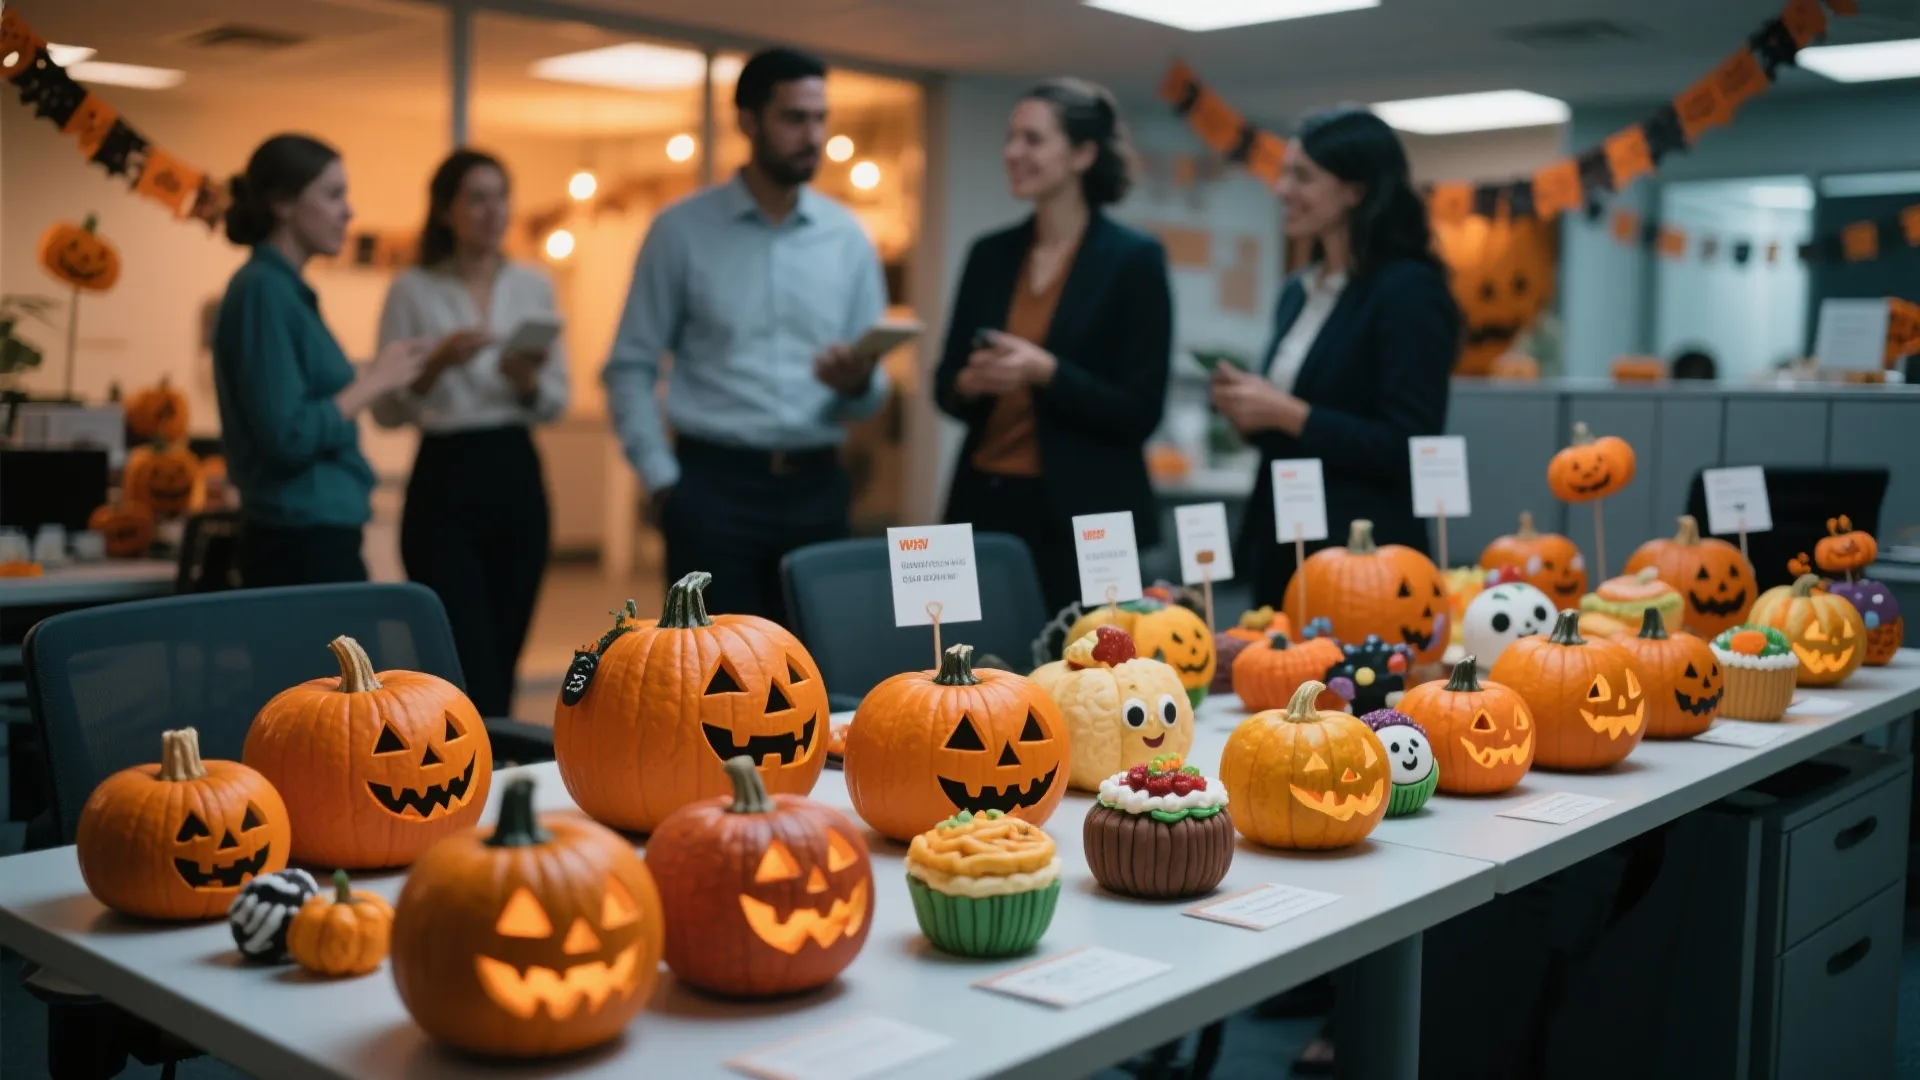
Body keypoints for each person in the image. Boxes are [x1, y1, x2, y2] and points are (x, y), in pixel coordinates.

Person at [603, 47, 888, 622]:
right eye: (794, 118)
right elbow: (630, 365)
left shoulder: (846, 236)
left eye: (820, 118)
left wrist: (858, 381)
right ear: (749, 121)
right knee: (712, 680)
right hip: (712, 489)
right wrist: (663, 483)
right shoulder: (681, 231)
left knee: (816, 672)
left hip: (818, 484)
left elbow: (873, 389)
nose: (814, 135)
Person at [933, 78, 1172, 614]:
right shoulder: (989, 254)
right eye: (1010, 137)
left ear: (1084, 153)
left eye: (1033, 139)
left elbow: (1140, 411)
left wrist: (1047, 372)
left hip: (1087, 515)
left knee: (1088, 676)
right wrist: (968, 382)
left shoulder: (1134, 259)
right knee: (959, 671)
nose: (1012, 153)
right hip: (983, 498)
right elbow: (945, 387)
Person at [1211, 106, 1461, 606]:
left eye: (1302, 176)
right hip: (1284, 535)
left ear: (1355, 189)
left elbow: (1408, 444)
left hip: (1365, 560)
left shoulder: (1408, 291)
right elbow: (1300, 426)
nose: (1282, 189)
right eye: (1283, 172)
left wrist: (1289, 413)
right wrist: (1251, 411)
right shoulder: (1297, 291)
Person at [372, 150, 568, 719]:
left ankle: (501, 778)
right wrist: (436, 364)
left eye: (500, 196)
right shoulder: (412, 290)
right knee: (460, 652)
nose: (492, 211)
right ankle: (459, 766)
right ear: (445, 211)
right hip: (445, 473)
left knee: (505, 652)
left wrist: (526, 383)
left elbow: (555, 401)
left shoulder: (534, 286)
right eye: (476, 198)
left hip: (515, 466)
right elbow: (384, 410)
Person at [212, 134, 429, 587]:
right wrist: (371, 382)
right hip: (297, 542)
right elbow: (287, 436)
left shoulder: (285, 290)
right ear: (283, 204)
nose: (348, 211)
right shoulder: (264, 292)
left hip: (315, 533)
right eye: (333, 195)